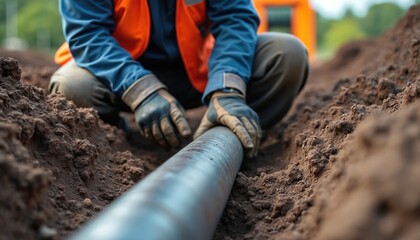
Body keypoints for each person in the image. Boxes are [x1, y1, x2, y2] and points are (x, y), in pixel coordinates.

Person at [50, 0, 308, 158]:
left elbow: (235, 19)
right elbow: (88, 34)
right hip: (119, 75)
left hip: (198, 71)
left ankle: (239, 129)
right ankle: (117, 146)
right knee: (71, 87)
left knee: (287, 55)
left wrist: (227, 89)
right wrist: (141, 90)